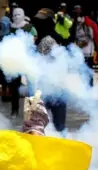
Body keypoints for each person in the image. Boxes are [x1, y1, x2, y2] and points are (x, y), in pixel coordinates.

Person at [33, 8, 68, 136]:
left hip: (49, 87)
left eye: (41, 22)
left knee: (39, 124)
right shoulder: (54, 38)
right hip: (57, 86)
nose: (38, 24)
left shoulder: (47, 40)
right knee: (58, 126)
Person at [9, 7, 37, 117]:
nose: (16, 17)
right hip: (16, 61)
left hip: (28, 59)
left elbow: (34, 40)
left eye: (18, 14)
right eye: (14, 15)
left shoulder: (30, 27)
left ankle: (32, 110)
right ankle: (14, 110)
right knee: (14, 86)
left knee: (31, 86)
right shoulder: (11, 28)